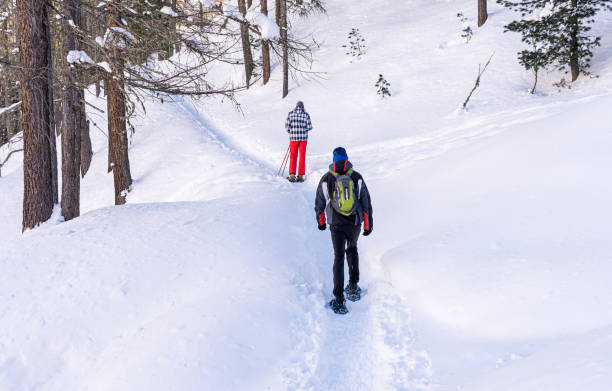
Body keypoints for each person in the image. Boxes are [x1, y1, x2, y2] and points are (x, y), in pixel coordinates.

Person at [314, 147, 373, 314]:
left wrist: (321, 222)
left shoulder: (327, 178)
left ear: (334, 160)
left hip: (336, 224)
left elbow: (320, 202)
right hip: (354, 223)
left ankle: (339, 299)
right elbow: (366, 201)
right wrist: (368, 225)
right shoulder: (356, 176)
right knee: (352, 250)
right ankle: (353, 287)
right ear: (346, 158)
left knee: (338, 257)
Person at [285, 101, 312, 182]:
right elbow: (309, 127)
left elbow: (287, 126)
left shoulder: (290, 114)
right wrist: (303, 130)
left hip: (293, 138)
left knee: (293, 156)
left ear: (296, 106)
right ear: (302, 107)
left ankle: (292, 175)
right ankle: (300, 176)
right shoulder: (306, 115)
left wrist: (292, 131)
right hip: (303, 139)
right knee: (302, 156)